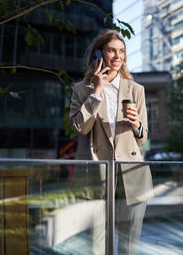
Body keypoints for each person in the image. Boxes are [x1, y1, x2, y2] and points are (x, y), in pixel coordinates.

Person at [69, 29, 153, 254]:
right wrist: (96, 92)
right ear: (98, 55)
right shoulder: (81, 90)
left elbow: (142, 139)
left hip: (132, 175)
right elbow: (79, 126)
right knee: (95, 246)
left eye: (122, 51)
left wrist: (136, 125)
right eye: (111, 50)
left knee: (129, 246)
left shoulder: (136, 90)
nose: (118, 56)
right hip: (96, 176)